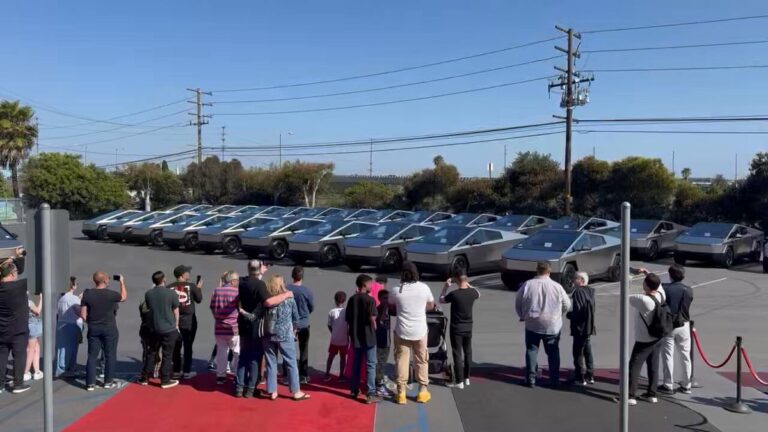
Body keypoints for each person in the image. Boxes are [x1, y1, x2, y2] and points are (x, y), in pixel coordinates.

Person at [515, 261, 572, 388]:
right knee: (553, 352)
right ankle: (554, 379)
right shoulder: (557, 286)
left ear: (537, 270)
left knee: (531, 350)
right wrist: (559, 314)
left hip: (532, 323)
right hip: (552, 324)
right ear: (549, 271)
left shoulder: (528, 284)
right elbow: (567, 304)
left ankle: (531, 378)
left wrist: (522, 315)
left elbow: (518, 302)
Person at [390, 262, 434, 405]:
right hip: (420, 330)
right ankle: (422, 391)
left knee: (401, 360)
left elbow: (391, 303)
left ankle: (401, 392)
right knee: (421, 360)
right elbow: (430, 305)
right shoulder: (424, 288)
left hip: (402, 330)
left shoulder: (397, 290)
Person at [262, 275, 310, 401]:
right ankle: (295, 391)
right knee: (291, 362)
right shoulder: (289, 299)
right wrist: (294, 330)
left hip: (268, 334)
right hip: (285, 335)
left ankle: (272, 391)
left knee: (270, 363)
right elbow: (296, 318)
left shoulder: (267, 300)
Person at [80, 272, 127, 391]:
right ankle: (108, 381)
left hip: (94, 328)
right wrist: (122, 282)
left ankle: (90, 383)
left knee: (92, 355)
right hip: (109, 328)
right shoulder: (111, 294)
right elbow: (124, 297)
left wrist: (90, 322)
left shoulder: (87, 294)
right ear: (105, 281)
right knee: (110, 355)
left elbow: (83, 314)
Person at [628, 273, 667, 405]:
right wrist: (647, 273)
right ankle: (652, 394)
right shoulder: (661, 296)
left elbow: (626, 296)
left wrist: (628, 280)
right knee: (653, 365)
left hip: (644, 339)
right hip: (657, 338)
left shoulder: (643, 300)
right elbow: (659, 286)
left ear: (645, 285)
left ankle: (631, 395)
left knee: (634, 365)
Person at [439, 271, 480, 390]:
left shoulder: (454, 294)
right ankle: (467, 377)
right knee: (468, 351)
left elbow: (441, 299)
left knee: (457, 353)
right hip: (468, 327)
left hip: (456, 328)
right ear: (466, 279)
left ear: (456, 280)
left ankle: (459, 380)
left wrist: (445, 287)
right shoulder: (472, 292)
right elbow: (478, 293)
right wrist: (468, 284)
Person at [140, 271, 180, 389]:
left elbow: (148, 309)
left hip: (154, 328)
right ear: (164, 279)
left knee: (151, 353)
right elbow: (175, 311)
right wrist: (176, 325)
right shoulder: (171, 293)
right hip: (168, 329)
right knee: (167, 355)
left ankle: (145, 377)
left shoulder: (148, 294)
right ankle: (165, 379)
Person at [659, 264, 694, 395]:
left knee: (668, 355)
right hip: (684, 324)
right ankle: (687, 384)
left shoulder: (666, 288)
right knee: (685, 355)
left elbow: (657, 287)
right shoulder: (688, 290)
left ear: (670, 275)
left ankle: (668, 384)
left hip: (669, 324)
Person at [346, 274, 381, 404]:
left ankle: (354, 390)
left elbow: (348, 318)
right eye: (370, 284)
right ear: (365, 285)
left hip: (356, 336)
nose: (372, 286)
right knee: (370, 364)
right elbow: (373, 317)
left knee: (356, 363)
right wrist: (375, 325)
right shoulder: (370, 300)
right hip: (369, 336)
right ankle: (370, 393)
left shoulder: (352, 299)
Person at [0, 250, 31, 394]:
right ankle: (18, 383)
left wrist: (5, 264)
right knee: (19, 356)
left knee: (2, 356)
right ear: (12, 274)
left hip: (2, 329)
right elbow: (21, 269)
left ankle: (0, 383)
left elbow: (14, 271)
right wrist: (19, 257)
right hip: (18, 329)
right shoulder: (19, 286)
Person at [168, 265, 202, 380]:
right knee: (188, 346)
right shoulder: (192, 286)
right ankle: (187, 371)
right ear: (182, 275)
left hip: (174, 320)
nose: (189, 273)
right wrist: (198, 288)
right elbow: (199, 299)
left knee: (176, 346)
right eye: (187, 272)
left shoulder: (169, 287)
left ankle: (176, 370)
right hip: (189, 321)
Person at [210, 271, 240, 385]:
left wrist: (217, 318)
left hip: (219, 327)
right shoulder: (237, 292)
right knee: (237, 351)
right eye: (237, 280)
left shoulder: (217, 290)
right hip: (234, 327)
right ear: (232, 281)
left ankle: (221, 376)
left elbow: (212, 306)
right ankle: (237, 374)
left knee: (222, 352)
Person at [285, 266, 314, 384]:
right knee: (304, 349)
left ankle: (287, 375)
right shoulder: (307, 291)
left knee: (287, 349)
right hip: (303, 323)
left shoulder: (286, 289)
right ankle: (303, 375)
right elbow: (311, 307)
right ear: (302, 276)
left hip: (289, 323)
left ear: (292, 276)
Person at [566, 271, 596, 385]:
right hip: (588, 326)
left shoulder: (578, 292)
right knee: (588, 351)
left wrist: (570, 315)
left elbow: (578, 310)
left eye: (575, 278)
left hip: (579, 328)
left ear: (582, 280)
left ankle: (580, 376)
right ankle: (590, 374)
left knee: (578, 352)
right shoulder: (591, 291)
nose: (573, 280)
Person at [56, 277, 82, 378]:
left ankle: (64, 368)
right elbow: (79, 312)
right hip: (72, 324)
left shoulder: (60, 297)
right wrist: (81, 301)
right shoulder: (74, 299)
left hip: (61, 323)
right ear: (73, 286)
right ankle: (67, 368)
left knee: (61, 347)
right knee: (72, 348)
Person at [325, 291, 348, 382]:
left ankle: (327, 373)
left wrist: (333, 332)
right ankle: (341, 375)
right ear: (345, 301)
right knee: (343, 358)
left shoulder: (331, 311)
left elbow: (329, 325)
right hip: (344, 339)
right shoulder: (346, 312)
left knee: (331, 356)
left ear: (335, 300)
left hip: (334, 339)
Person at [375, 289, 392, 397]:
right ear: (380, 299)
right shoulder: (378, 310)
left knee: (384, 362)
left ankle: (379, 379)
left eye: (388, 298)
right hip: (381, 340)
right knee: (380, 363)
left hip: (388, 341)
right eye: (385, 298)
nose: (387, 300)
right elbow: (378, 323)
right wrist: (384, 310)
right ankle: (379, 385)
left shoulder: (390, 309)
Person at [24, 292, 43, 381]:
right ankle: (26, 372)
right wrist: (41, 299)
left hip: (26, 325)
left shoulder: (19, 302)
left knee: (36, 348)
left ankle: (37, 371)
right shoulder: (29, 303)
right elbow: (38, 311)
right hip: (32, 325)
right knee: (30, 349)